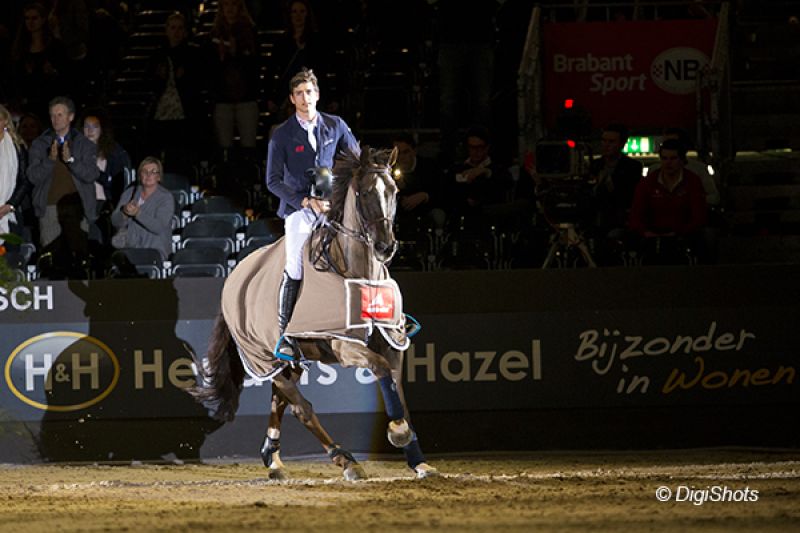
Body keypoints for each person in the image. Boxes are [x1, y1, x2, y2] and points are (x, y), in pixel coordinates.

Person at [266, 68, 359, 359]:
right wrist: (305, 201)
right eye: (299, 94)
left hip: (330, 200)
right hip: (299, 208)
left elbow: (355, 158)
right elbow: (272, 180)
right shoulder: (281, 135)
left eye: (309, 92)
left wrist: (337, 192)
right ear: (292, 99)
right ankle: (285, 334)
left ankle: (387, 318)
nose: (305, 98)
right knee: (294, 263)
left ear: (317, 95)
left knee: (365, 241)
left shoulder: (335, 125)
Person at [27, 96, 98, 278]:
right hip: (49, 206)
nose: (55, 119)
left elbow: (91, 174)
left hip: (77, 208)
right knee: (51, 260)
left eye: (60, 114)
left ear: (71, 117)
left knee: (78, 258)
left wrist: (71, 161)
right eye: (52, 115)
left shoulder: (84, 144)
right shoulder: (40, 144)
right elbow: (33, 176)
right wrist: (50, 161)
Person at [627, 139, 708, 263]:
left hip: (683, 235)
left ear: (682, 160)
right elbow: (636, 214)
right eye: (664, 158)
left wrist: (680, 232)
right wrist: (645, 232)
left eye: (673, 158)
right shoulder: (648, 182)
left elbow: (699, 216)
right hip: (651, 235)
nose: (668, 163)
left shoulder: (692, 181)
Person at [146, 11, 204, 173]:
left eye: (180, 28)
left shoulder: (193, 53)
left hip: (185, 112)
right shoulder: (158, 54)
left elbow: (200, 81)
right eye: (173, 28)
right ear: (167, 30)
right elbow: (149, 81)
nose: (176, 32)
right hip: (161, 113)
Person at [207, 0, 260, 162]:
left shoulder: (250, 32)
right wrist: (221, 57)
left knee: (248, 146)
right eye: (226, 5)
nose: (230, 9)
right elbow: (208, 68)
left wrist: (239, 54)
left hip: (246, 97)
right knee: (225, 147)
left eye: (233, 5)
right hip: (222, 98)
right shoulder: (214, 34)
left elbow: (256, 66)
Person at [587, 123, 644, 263]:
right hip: (596, 217)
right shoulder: (595, 165)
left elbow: (629, 196)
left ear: (622, 144)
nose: (606, 145)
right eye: (604, 141)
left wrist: (609, 184)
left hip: (619, 218)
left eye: (611, 142)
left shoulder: (632, 167)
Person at [442, 125, 512, 233]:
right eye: (471, 147)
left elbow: (507, 182)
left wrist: (485, 171)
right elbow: (447, 190)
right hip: (462, 218)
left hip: (491, 219)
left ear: (487, 147)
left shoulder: (497, 169)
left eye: (479, 147)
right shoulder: (457, 169)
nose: (475, 152)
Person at [110, 156, 175, 261]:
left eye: (153, 172)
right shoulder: (129, 193)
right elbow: (115, 221)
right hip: (131, 249)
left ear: (159, 177)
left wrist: (137, 213)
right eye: (145, 171)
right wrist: (124, 213)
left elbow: (158, 227)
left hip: (155, 252)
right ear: (140, 175)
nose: (148, 175)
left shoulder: (166, 197)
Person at [10, 2, 65, 119]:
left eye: (35, 18)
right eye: (27, 18)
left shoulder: (55, 46)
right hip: (26, 103)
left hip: (50, 101)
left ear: (43, 19)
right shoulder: (21, 48)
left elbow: (65, 75)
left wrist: (53, 73)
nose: (30, 22)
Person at [391, 131, 445, 237]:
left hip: (426, 210)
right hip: (400, 213)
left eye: (405, 152)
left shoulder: (429, 166)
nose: (401, 157)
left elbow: (442, 191)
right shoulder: (389, 171)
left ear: (414, 151)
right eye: (397, 153)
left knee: (439, 215)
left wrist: (425, 196)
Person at [0, 104, 31, 244]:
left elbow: (25, 180)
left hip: (10, 212)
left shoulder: (16, 146)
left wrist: (10, 205)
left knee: (10, 260)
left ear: (5, 120)